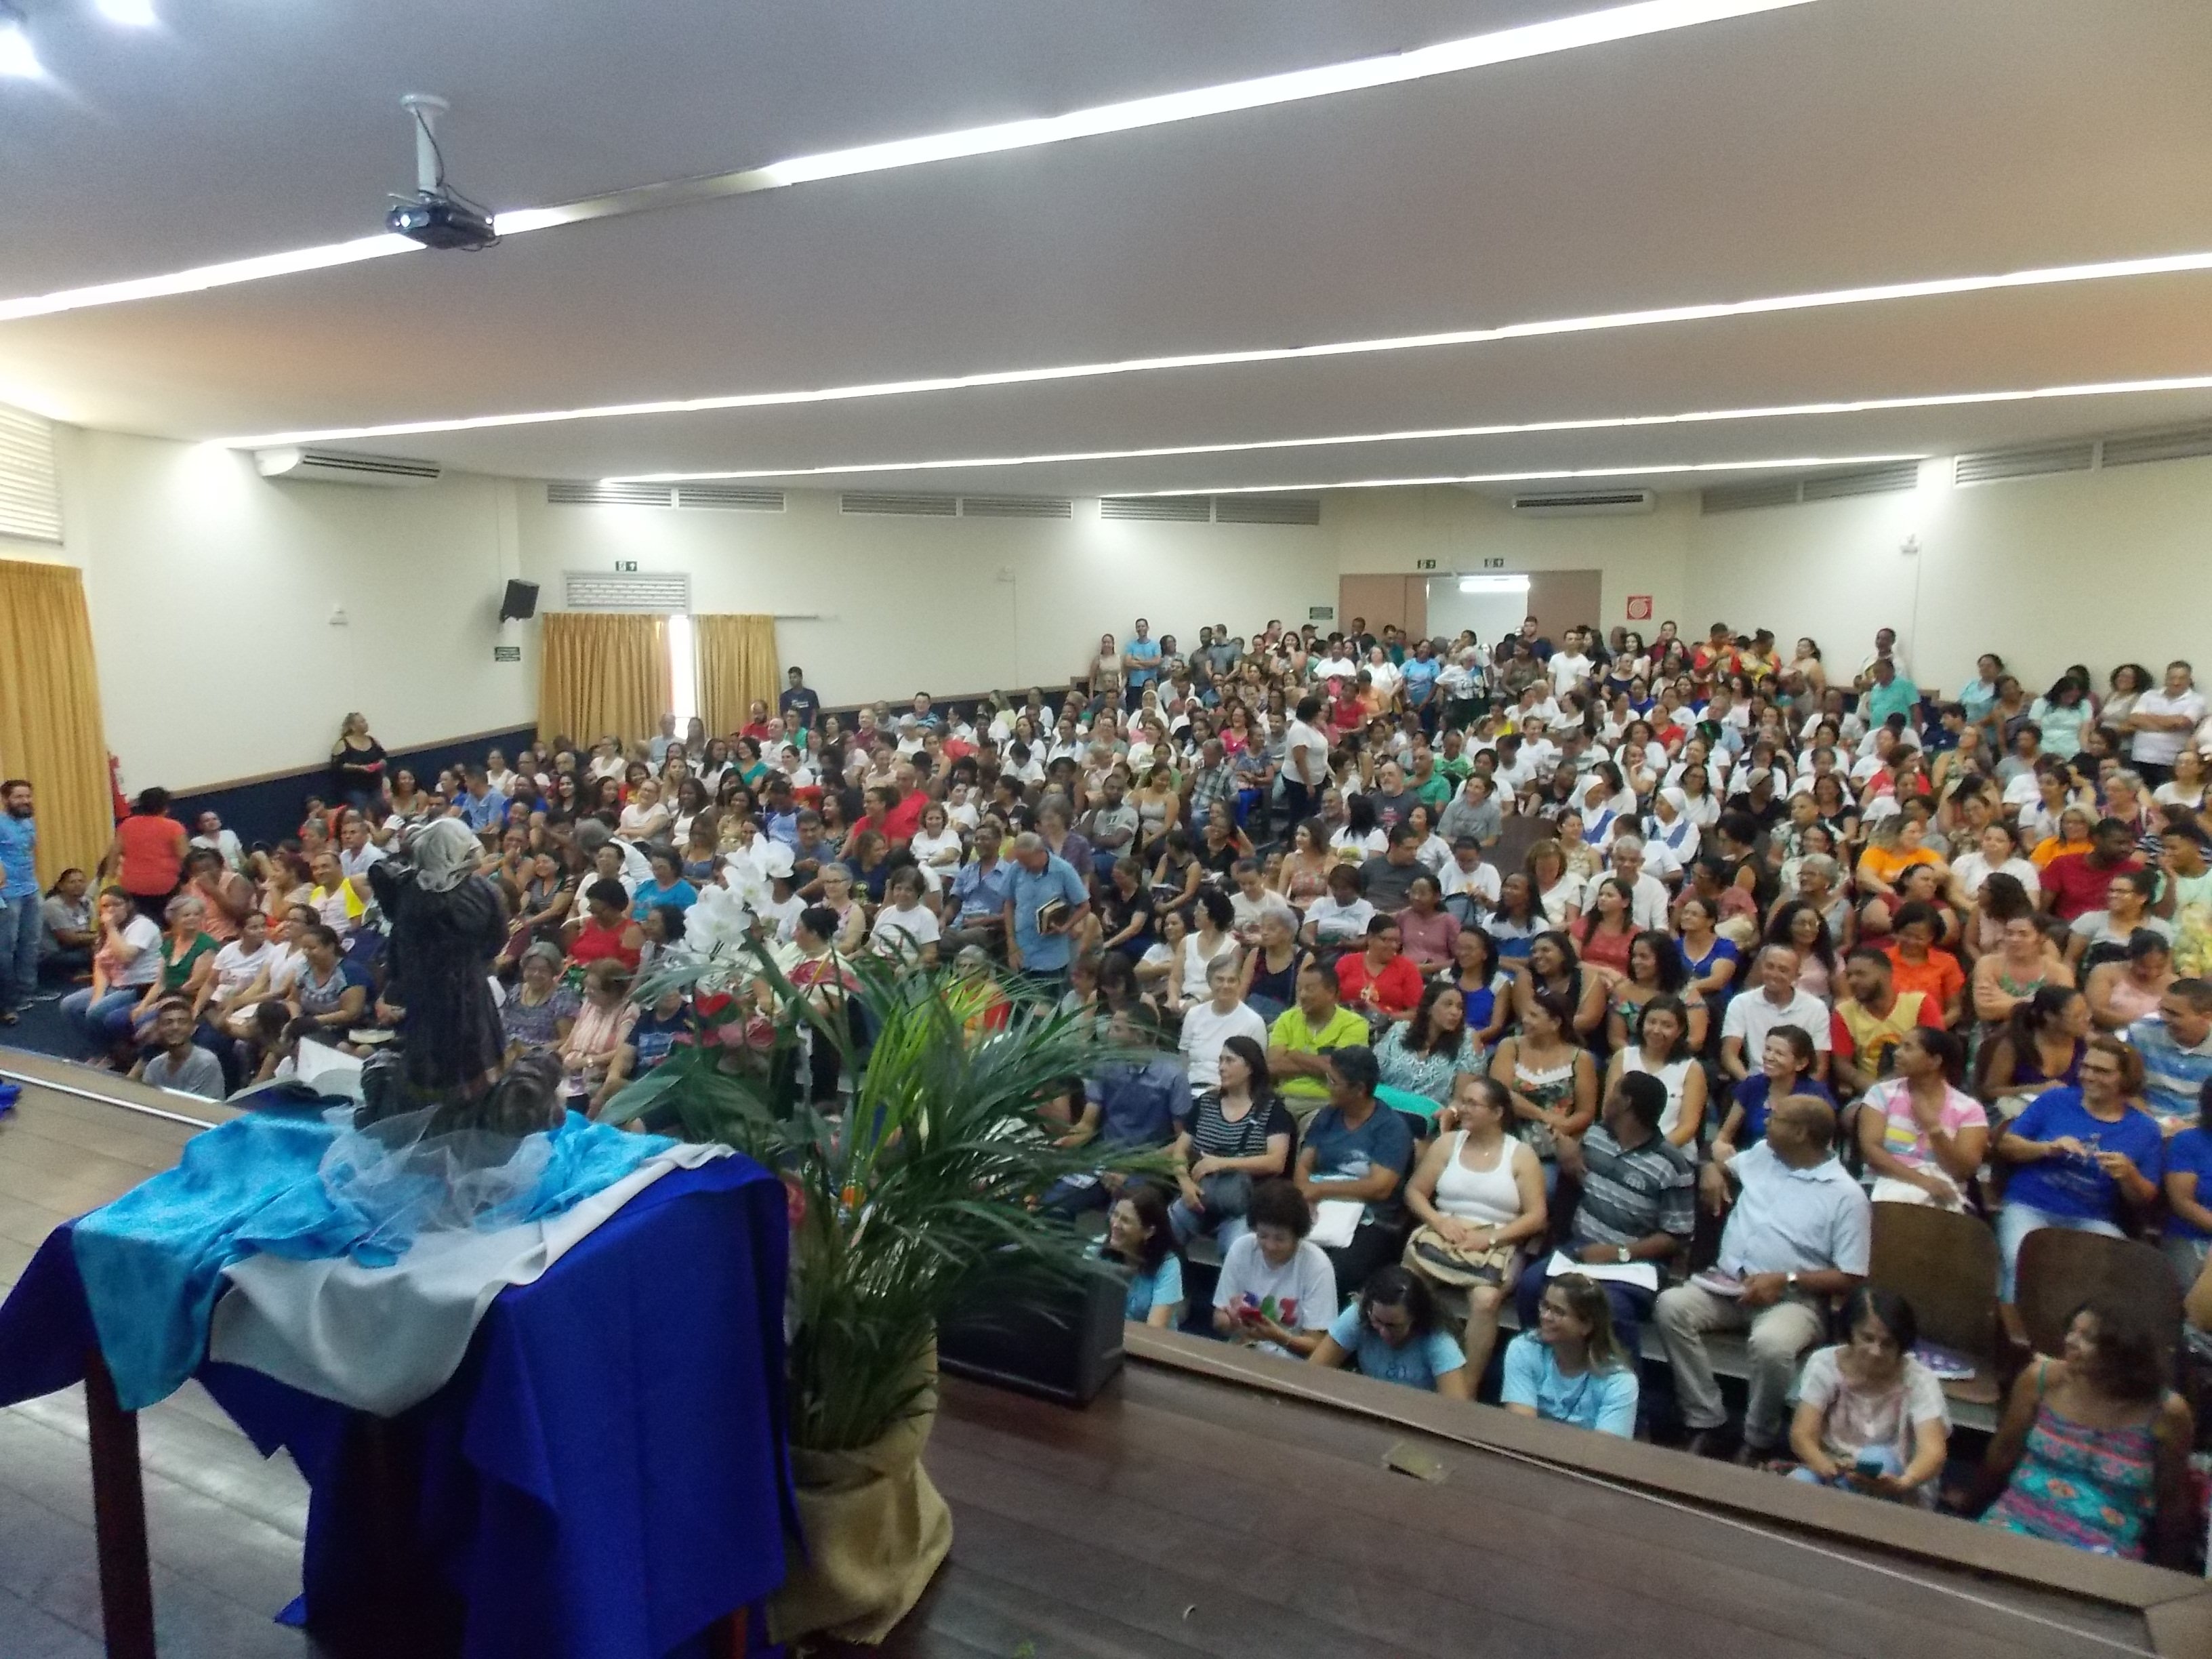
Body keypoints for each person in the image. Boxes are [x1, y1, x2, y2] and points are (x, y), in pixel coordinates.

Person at [1662, 1095, 1870, 1460]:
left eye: (1776, 1117)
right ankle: (1706, 1419)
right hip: (1727, 1286)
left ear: (1802, 1133)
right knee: (1670, 1307)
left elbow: (1851, 1275)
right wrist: (1712, 1170)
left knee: (1772, 1345)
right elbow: (1723, 1165)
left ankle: (1757, 1439)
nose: (1766, 1119)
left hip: (1793, 1300)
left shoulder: (1846, 1196)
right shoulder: (1763, 1154)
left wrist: (1787, 1279)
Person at [1969, 1298, 2195, 1564]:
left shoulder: (2167, 1412)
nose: (2070, 1341)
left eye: (2087, 1338)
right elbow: (2002, 1455)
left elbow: (2171, 1500)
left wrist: (2172, 1572)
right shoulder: (2041, 1380)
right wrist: (1968, 1513)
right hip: (2018, 1520)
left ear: (2122, 1352)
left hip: (2106, 1547)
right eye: (2072, 1331)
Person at [1992, 1037, 2163, 1300]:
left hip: (2093, 1218)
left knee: (2110, 1272)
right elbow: (2006, 1145)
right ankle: (2016, 1333)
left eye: (2102, 1071)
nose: (2089, 1076)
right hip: (2031, 1205)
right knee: (2022, 1260)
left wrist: (2128, 1175)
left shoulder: (2145, 1129)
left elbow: (2145, 1198)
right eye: (2085, 1067)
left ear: (2125, 1079)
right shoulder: (2055, 1100)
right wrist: (2048, 1148)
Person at [1402, 1073, 1546, 1385]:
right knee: (1404, 1286)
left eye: (1472, 1104)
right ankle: (1407, 1370)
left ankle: (1465, 1387)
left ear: (1497, 1113)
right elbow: (1415, 1192)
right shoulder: (1447, 1143)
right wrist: (1439, 1221)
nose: (1462, 1109)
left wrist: (1489, 1238)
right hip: (1444, 1231)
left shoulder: (1520, 1154)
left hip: (1497, 1240)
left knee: (1485, 1300)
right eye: (1462, 1101)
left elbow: (1536, 1217)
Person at [1786, 1288, 1949, 1503]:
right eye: (1867, 1338)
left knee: (1877, 1458)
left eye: (1887, 1344)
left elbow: (1933, 1451)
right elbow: (1802, 1435)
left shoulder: (1920, 1379)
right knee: (1799, 1483)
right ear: (1851, 1332)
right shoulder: (1823, 1364)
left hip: (1896, 1481)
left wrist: (1904, 1482)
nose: (1876, 1351)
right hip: (1833, 1469)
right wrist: (1829, 1468)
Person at [1294, 1046, 1416, 1294]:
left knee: (1337, 1269)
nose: (1327, 1086)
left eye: (1334, 1081)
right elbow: (1304, 1163)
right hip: (1320, 1208)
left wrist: (1320, 1189)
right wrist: (1303, 1195)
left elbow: (1380, 1188)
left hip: (1371, 1219)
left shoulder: (1391, 1128)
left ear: (1359, 1089)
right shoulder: (1328, 1116)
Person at [1169, 1033, 1294, 1247]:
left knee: (1237, 1245)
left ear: (1250, 1068)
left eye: (1230, 1061)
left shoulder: (1272, 1110)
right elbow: (1180, 1151)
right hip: (1201, 1195)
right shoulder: (1206, 1103)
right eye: (1220, 1060)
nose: (1221, 1067)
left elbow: (1276, 1162)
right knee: (1164, 1230)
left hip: (1245, 1203)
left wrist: (1221, 1163)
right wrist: (1185, 1184)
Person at [1856, 1027, 1986, 1209]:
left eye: (1908, 1048)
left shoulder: (1970, 1109)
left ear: (1934, 1061)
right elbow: (1872, 1152)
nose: (1897, 1053)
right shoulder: (1881, 1094)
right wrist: (1923, 1182)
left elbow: (1961, 1171)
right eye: (1900, 1046)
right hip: (1881, 1184)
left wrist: (1934, 1129)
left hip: (1944, 1193)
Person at [1212, 1177, 1338, 1358]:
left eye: (1280, 1239)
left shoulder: (1317, 1266)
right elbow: (1219, 1318)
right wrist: (1233, 1322)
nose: (1270, 1246)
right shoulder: (1242, 1248)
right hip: (1243, 1349)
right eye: (1263, 1236)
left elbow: (1317, 1345)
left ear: (1297, 1235)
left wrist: (1277, 1336)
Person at [1502, 1274, 1640, 1437]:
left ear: (1587, 1325)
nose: (1545, 1317)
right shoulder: (1524, 1349)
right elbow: (1521, 1431)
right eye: (1545, 1306)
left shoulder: (1619, 1382)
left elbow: (1603, 1453)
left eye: (1558, 1312)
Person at [1488, 987, 1597, 1196]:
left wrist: (1564, 1126)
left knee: (1542, 1190)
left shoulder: (1580, 1059)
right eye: (1526, 1013)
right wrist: (1545, 1116)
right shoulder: (1510, 1046)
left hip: (1552, 1144)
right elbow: (1500, 1095)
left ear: (1556, 1023)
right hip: (1507, 1134)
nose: (1525, 1020)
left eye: (1534, 1016)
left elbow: (1586, 1112)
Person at [1308, 1265, 1471, 1397]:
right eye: (1377, 1321)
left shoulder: (1439, 1340)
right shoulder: (1358, 1315)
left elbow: (1456, 1413)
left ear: (1415, 1318)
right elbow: (1313, 1373)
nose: (1384, 1332)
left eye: (1393, 1326)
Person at [1267, 958, 1371, 1126]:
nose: (1302, 995)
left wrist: (1294, 1055)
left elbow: (1341, 1073)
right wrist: (1323, 1063)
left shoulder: (1355, 1024)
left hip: (1325, 1103)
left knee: (1314, 1129)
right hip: (1283, 1099)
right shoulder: (1287, 1018)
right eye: (1300, 989)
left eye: (1309, 989)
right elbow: (1273, 1065)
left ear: (1331, 992)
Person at [1718, 945, 1832, 1083]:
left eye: (1783, 970)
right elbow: (1729, 1055)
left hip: (1799, 1085)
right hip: (1755, 1080)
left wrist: (1799, 1093)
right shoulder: (1741, 1002)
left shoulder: (1816, 1008)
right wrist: (1750, 1084)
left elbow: (1820, 1065)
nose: (1774, 974)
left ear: (1797, 976)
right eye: (1770, 967)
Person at [1607, 992, 1706, 1147]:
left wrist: (1652, 1151)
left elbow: (1688, 1128)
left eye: (1667, 1025)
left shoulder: (1692, 1069)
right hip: (1620, 1146)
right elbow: (1609, 1111)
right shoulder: (1623, 1057)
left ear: (1679, 1030)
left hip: (1670, 1151)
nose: (1656, 1030)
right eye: (1651, 1022)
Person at [1003, 830, 1090, 991]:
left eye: (1026, 861)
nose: (1023, 866)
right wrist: (1010, 942)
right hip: (1022, 951)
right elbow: (1009, 904)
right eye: (1020, 861)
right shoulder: (1017, 868)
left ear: (1040, 853)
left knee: (1047, 1006)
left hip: (1051, 955)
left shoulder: (1064, 870)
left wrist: (1066, 926)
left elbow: (1084, 906)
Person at [1374, 979, 1481, 1107]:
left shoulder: (1466, 1041)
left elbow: (1461, 1099)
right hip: (1384, 1106)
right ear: (1429, 1008)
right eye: (1448, 1004)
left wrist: (1451, 1114)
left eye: (1460, 1007)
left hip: (1428, 1116)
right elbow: (1372, 1073)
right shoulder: (1400, 1030)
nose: (1455, 1012)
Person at [2128, 979, 2212, 1132]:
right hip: (2144, 1122)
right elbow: (2128, 1088)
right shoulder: (2141, 1033)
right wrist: (2149, 1124)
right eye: (2163, 1010)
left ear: (2206, 1017)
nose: (2164, 1018)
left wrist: (2189, 1129)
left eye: (2174, 1014)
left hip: (2203, 1129)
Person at [1101, 1184, 1185, 1329]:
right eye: (1115, 1215)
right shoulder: (1096, 1249)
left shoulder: (1168, 1266)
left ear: (1149, 1231)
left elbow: (1155, 1330)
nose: (1115, 1224)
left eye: (1125, 1220)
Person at [1179, 956, 1266, 1090]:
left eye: (1231, 981)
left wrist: (1221, 1090)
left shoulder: (1254, 1022)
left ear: (1239, 983)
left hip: (1229, 1094)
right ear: (1209, 982)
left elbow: (1256, 1072)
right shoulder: (1193, 1015)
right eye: (1220, 979)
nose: (1225, 986)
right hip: (1191, 1088)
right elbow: (1184, 1060)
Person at [105, 788, 189, 922]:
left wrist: (109, 878)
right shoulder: (174, 827)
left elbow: (114, 853)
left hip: (132, 886)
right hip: (165, 886)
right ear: (165, 807)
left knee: (137, 923)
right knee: (169, 923)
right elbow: (185, 858)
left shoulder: (127, 825)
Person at [129, 996, 225, 1100]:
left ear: (193, 1028)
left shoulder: (206, 1062)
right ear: (158, 1029)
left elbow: (195, 1108)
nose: (175, 1027)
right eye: (168, 1023)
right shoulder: (155, 1066)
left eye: (182, 1022)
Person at [0, 779, 38, 1025]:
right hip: (7, 894)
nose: (25, 801)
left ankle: (28, 992)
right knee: (6, 949)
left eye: (27, 796)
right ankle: (10, 1002)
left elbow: (31, 851)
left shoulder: (29, 821)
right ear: (6, 800)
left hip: (31, 889)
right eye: (19, 797)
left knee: (31, 942)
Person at [331, 712, 387, 811]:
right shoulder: (343, 743)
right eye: (362, 722)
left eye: (365, 721)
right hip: (354, 788)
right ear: (353, 727)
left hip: (375, 786)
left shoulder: (372, 740)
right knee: (360, 806)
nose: (366, 724)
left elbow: (383, 757)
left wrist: (380, 764)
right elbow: (337, 766)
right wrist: (358, 768)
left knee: (381, 808)